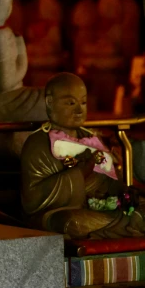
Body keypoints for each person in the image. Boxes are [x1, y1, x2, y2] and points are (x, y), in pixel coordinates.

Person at [21, 72, 145, 239]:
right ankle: (129, 226)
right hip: (67, 212)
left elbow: (110, 181)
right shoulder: (38, 143)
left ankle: (125, 224)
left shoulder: (90, 139)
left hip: (102, 209)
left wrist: (124, 191)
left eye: (84, 102)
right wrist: (80, 173)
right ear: (50, 102)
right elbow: (32, 200)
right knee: (71, 223)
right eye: (71, 103)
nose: (79, 110)